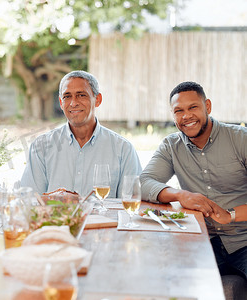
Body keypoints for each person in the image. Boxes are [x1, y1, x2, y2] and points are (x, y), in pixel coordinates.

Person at [140, 81, 247, 280]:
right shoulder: (171, 146)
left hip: (243, 241)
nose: (186, 116)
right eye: (178, 111)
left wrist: (230, 215)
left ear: (207, 106)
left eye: (193, 107)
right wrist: (180, 195)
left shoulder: (240, 139)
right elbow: (144, 182)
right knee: (157, 274)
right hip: (202, 242)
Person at [21, 70, 142, 197]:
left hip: (104, 217)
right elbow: (30, 200)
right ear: (61, 103)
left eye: (81, 95)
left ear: (98, 100)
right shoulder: (41, 146)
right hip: (54, 217)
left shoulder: (123, 149)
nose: (73, 103)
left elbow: (130, 204)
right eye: (67, 96)